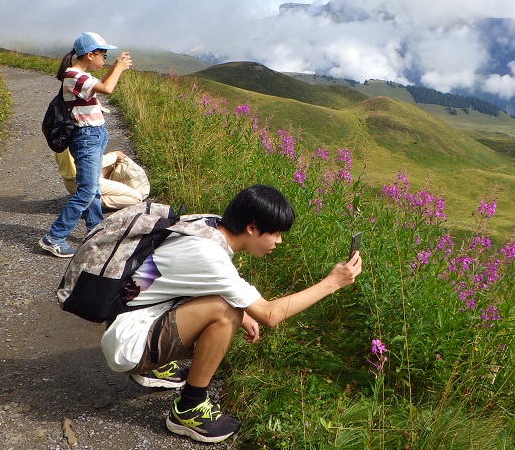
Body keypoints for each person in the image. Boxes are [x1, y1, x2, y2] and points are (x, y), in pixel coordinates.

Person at [100, 184, 362, 443]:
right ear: (252, 228)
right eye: (276, 233)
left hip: (128, 317)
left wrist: (245, 310)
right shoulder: (210, 255)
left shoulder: (207, 225)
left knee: (235, 308)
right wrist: (332, 283)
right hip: (130, 342)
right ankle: (189, 408)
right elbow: (270, 314)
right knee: (227, 313)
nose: (279, 241)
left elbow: (181, 279)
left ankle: (155, 368)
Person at [39, 32, 133, 258]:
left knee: (95, 188)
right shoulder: (74, 76)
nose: (105, 59)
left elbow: (100, 85)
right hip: (86, 137)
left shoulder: (82, 76)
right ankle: (54, 237)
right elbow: (107, 89)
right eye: (103, 54)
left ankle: (94, 229)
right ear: (90, 55)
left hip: (94, 135)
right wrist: (119, 68)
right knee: (87, 190)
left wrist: (115, 69)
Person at [55, 148, 150, 210]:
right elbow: (82, 167)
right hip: (83, 181)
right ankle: (90, 200)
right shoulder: (75, 141)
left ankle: (90, 196)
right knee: (136, 198)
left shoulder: (63, 135)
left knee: (114, 163)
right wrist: (114, 155)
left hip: (74, 181)